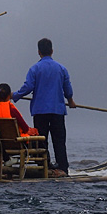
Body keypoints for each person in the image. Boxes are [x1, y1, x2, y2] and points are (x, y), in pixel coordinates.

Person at [12, 38, 76, 177]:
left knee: (42, 140)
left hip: (40, 111)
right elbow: (67, 89)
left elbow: (28, 87)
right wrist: (70, 101)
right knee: (59, 140)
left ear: (38, 52)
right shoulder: (61, 68)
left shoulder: (35, 68)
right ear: (52, 51)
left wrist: (14, 95)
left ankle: (45, 167)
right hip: (57, 110)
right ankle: (63, 169)